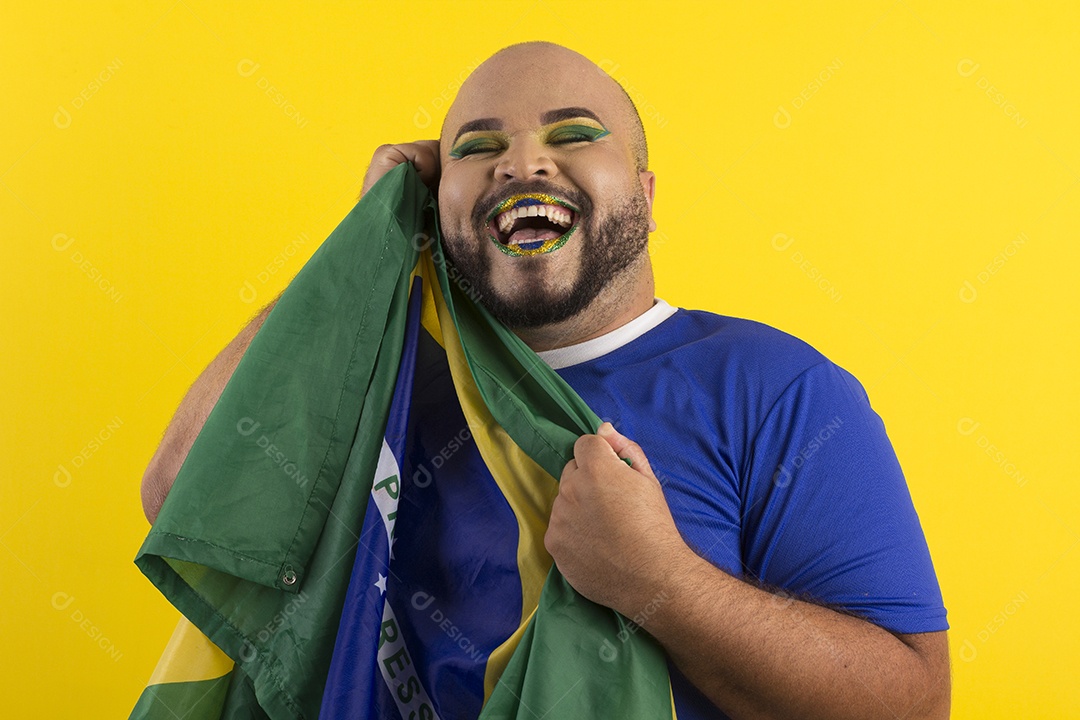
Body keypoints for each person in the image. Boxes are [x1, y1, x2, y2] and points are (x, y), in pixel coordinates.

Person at [142, 41, 950, 719]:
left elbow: (913, 700)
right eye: (476, 147)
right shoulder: (379, 384)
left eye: (573, 134)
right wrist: (366, 246)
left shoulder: (774, 388)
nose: (521, 161)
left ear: (644, 193)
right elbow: (187, 496)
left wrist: (658, 581)